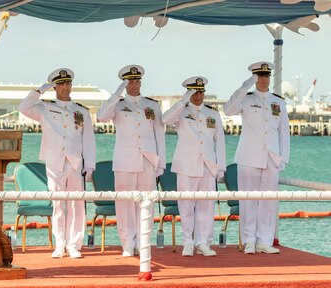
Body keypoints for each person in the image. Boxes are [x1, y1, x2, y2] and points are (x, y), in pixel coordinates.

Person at [19, 68, 96, 259]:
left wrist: (90, 165)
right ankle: (60, 243)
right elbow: (23, 108)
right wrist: (39, 90)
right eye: (61, 83)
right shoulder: (44, 107)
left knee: (77, 204)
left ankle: (74, 244)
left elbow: (88, 139)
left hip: (76, 161)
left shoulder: (81, 111)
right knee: (58, 204)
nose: (66, 86)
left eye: (68, 83)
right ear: (55, 86)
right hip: (54, 162)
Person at [96, 65, 166, 257]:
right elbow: (101, 116)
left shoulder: (152, 105)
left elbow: (160, 134)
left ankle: (143, 242)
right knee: (125, 203)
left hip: (148, 160)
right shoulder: (117, 105)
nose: (134, 84)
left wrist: (161, 163)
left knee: (146, 203)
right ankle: (127, 243)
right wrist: (117, 93)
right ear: (125, 84)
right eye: (130, 81)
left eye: (137, 81)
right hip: (125, 161)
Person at [223, 61, 289, 254]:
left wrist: (283, 158)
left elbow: (284, 133)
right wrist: (246, 85)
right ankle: (249, 240)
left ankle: (264, 240)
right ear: (254, 78)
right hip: (249, 156)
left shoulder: (278, 101)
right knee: (249, 200)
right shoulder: (246, 98)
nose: (263, 80)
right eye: (259, 76)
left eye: (266, 76)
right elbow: (228, 109)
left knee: (269, 201)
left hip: (271, 157)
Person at [162, 76, 226, 257]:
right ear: (188, 93)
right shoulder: (181, 111)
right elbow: (165, 119)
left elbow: (219, 141)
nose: (198, 96)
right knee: (186, 205)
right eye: (194, 92)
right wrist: (183, 101)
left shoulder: (212, 113)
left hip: (207, 165)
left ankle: (203, 242)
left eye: (200, 91)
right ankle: (188, 241)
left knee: (207, 206)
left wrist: (220, 167)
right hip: (186, 165)